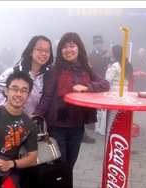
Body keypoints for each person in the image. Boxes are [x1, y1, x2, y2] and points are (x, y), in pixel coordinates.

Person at [32, 32, 110, 169]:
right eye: (64, 47)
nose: (68, 50)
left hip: (77, 126)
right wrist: (35, 116)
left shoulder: (85, 69)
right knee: (59, 166)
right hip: (57, 126)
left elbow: (104, 84)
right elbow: (47, 97)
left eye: (72, 46)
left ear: (78, 48)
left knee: (70, 165)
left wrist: (87, 87)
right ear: (60, 50)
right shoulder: (54, 70)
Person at [0, 35, 54, 115]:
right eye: (39, 49)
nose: (43, 53)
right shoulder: (15, 72)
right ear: (31, 51)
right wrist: (9, 109)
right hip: (13, 121)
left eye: (47, 51)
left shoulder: (48, 76)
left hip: (35, 122)